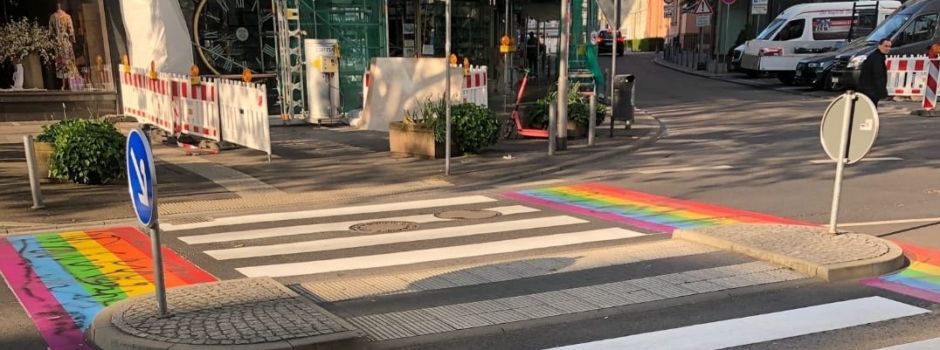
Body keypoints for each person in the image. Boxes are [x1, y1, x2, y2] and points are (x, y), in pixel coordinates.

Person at [50, 3, 78, 90]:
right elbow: (71, 32)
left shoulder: (53, 17)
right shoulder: (67, 17)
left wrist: (53, 41)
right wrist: (72, 41)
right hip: (65, 42)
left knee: (63, 63)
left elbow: (51, 32)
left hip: (59, 43)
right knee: (67, 62)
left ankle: (65, 83)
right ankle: (68, 83)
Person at [857, 38, 890, 107]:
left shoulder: (877, 56)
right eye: (885, 46)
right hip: (870, 91)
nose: (888, 48)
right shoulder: (877, 58)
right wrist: (882, 91)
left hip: (869, 90)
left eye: (889, 46)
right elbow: (878, 75)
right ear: (879, 46)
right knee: (870, 110)